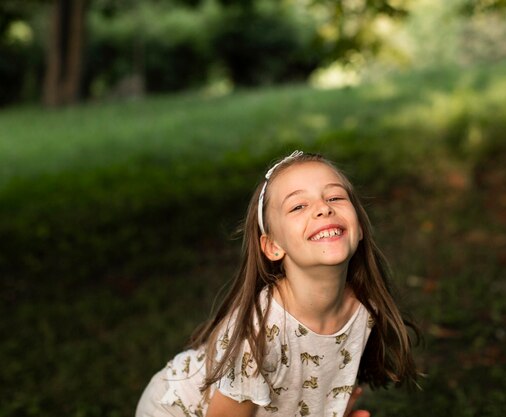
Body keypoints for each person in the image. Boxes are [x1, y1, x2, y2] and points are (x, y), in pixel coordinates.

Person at [136, 151, 419, 417]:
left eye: (334, 197)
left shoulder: (364, 308)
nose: (323, 208)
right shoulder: (258, 334)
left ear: (358, 229)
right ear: (273, 246)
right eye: (298, 205)